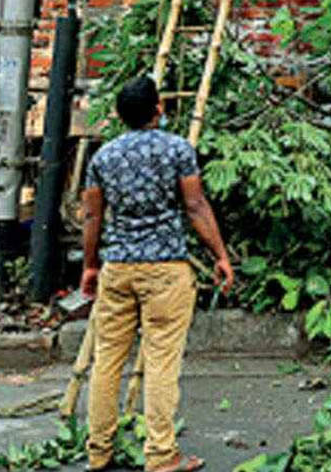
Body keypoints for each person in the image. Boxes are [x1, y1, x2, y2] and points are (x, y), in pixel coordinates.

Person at [81, 75, 234, 472]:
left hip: (118, 269)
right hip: (166, 269)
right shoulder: (177, 150)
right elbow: (196, 206)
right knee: (162, 362)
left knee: (107, 361)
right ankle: (162, 456)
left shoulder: (103, 158)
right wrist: (220, 255)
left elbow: (93, 215)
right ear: (158, 109)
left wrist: (91, 265)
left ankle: (98, 452)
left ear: (118, 115)